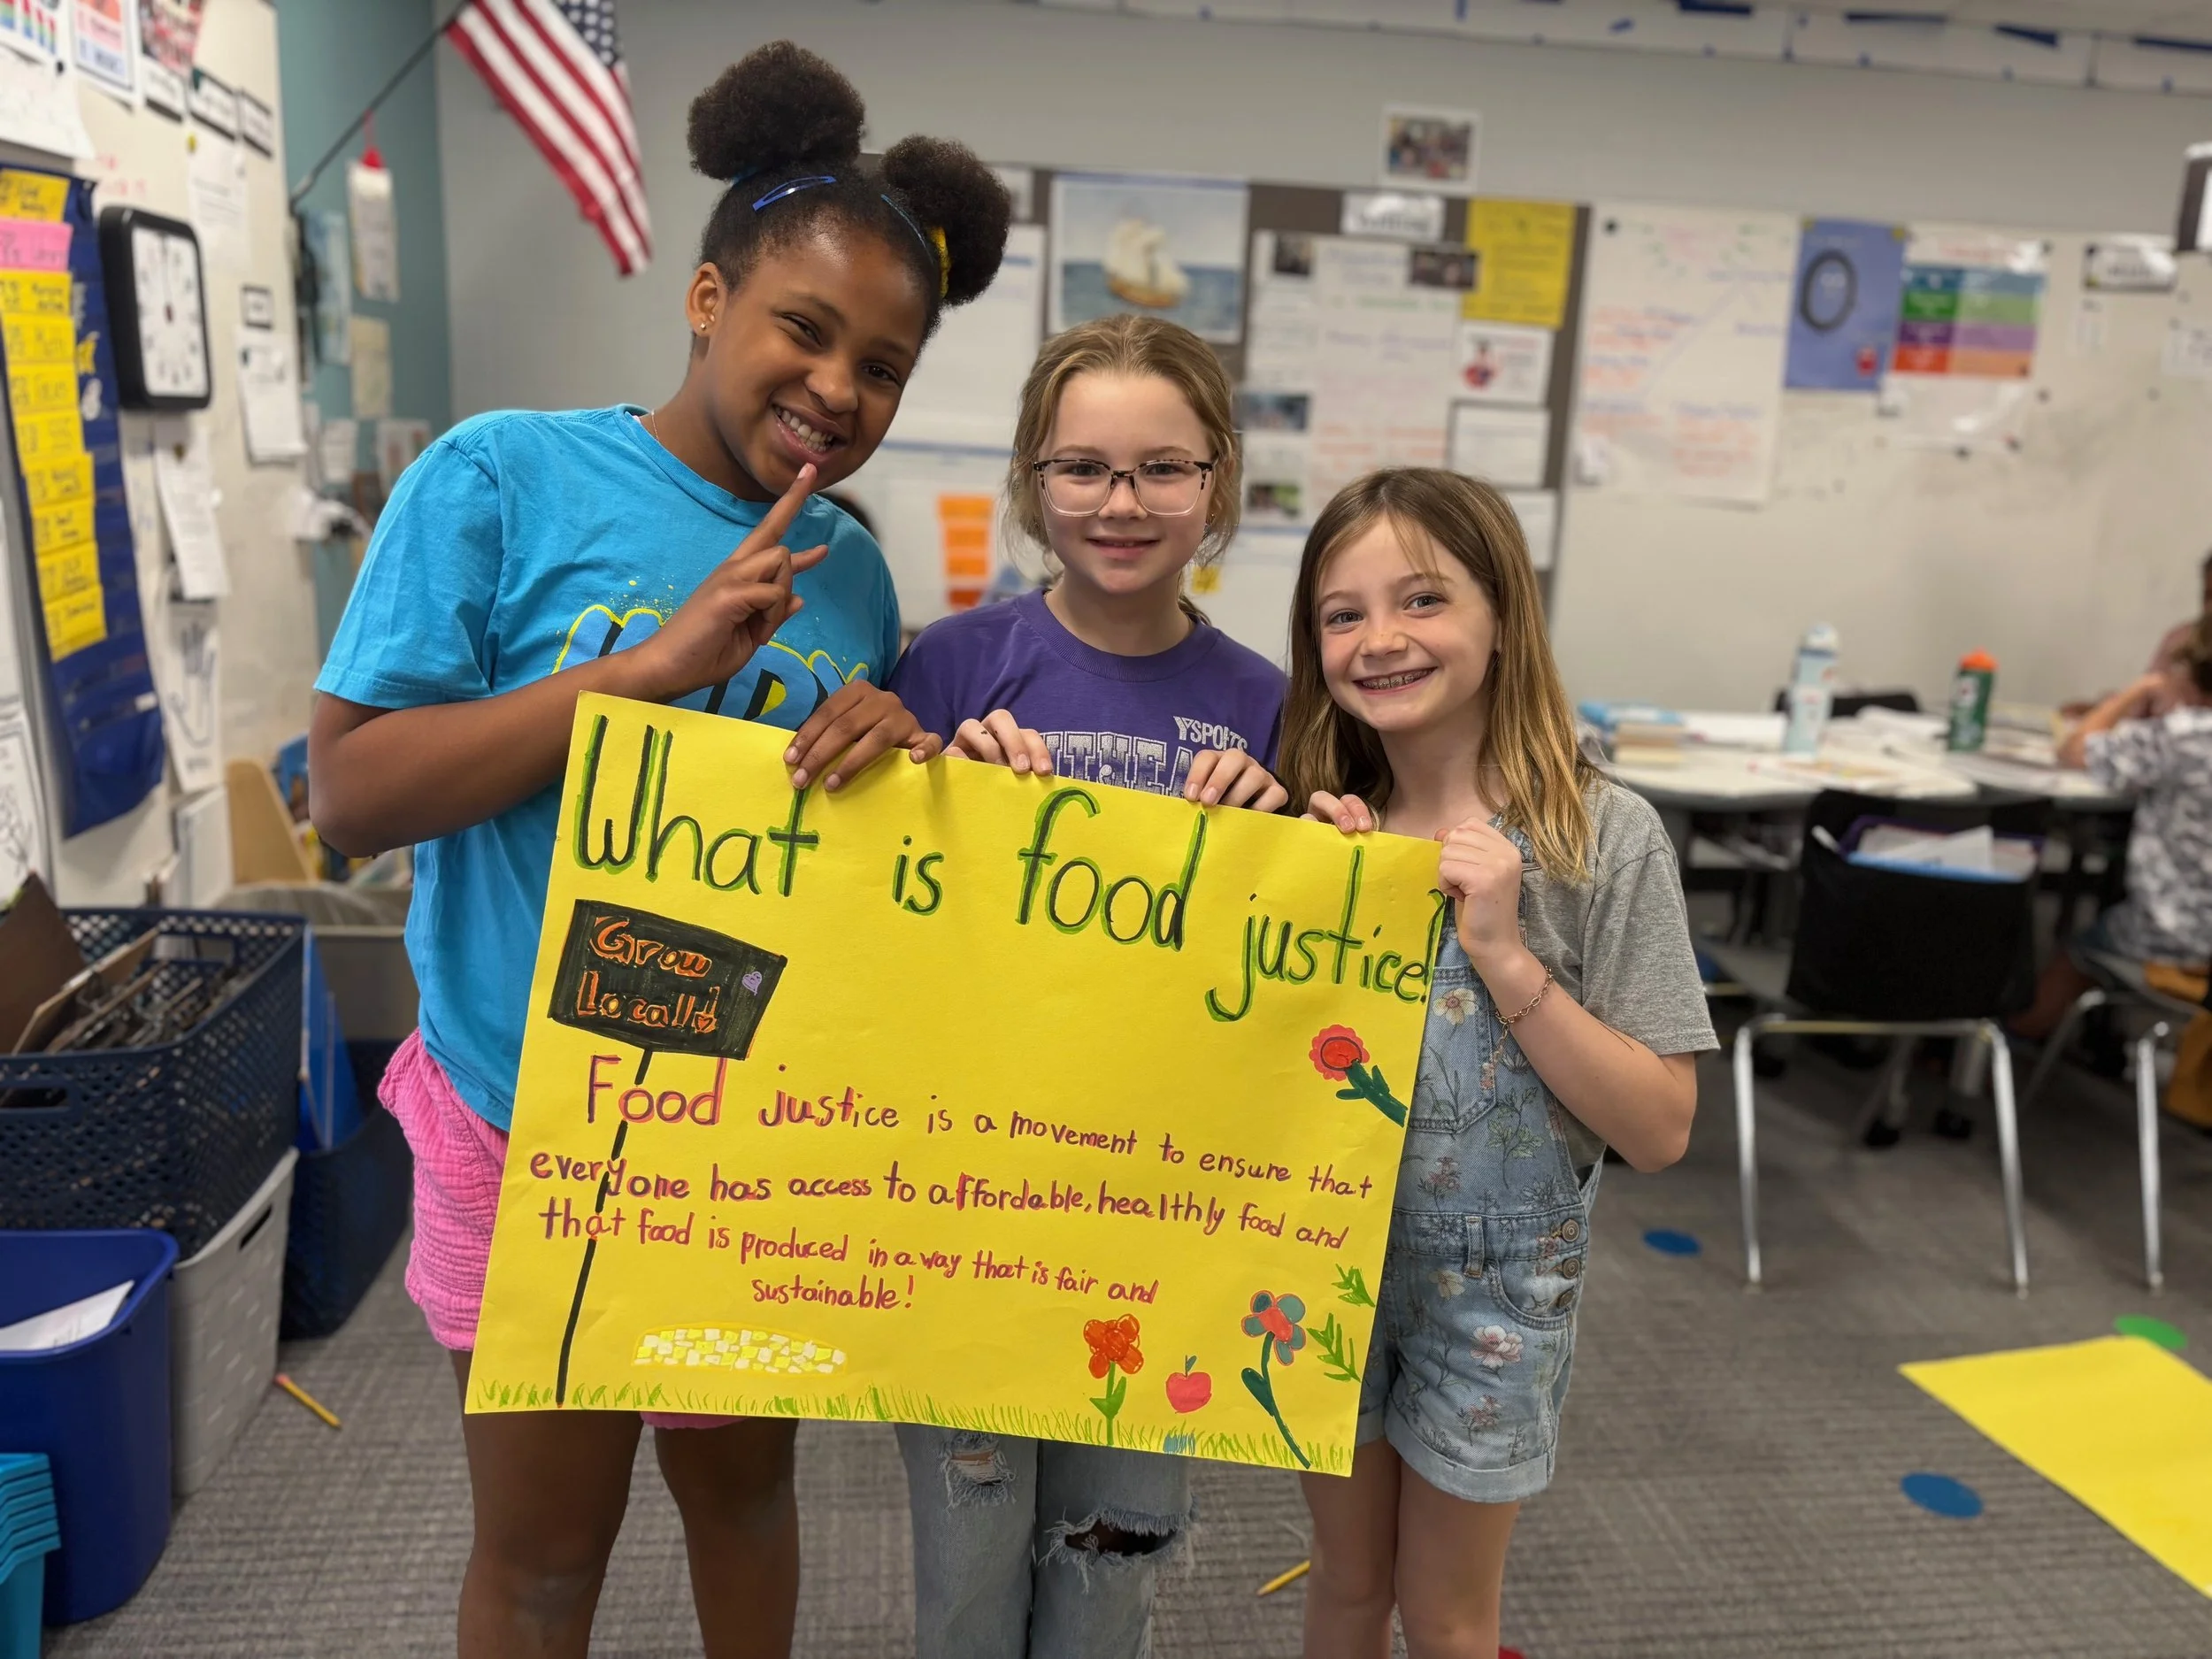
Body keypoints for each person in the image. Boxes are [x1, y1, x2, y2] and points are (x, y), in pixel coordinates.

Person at [306, 42, 1010, 1659]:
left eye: (885, 367)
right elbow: (351, 793)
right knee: (548, 1554)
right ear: (708, 298)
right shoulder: (500, 477)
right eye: (805, 329)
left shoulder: (849, 573)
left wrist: (892, 747)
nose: (839, 388)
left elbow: (843, 861)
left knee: (744, 1505)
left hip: (739, 1132)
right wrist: (637, 673)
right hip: (529, 1107)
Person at [885, 313, 1289, 1659]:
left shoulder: (1266, 700)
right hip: (971, 1187)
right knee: (967, 1547)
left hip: (1162, 1206)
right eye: (1084, 469)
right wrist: (943, 791)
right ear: (1032, 480)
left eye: (1162, 469)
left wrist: (1284, 832)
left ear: (1217, 484)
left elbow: (1294, 970)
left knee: (1118, 1549)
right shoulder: (950, 665)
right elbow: (875, 933)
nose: (1122, 503)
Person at [1283, 469, 1711, 1659]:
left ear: (1502, 614)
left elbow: (1664, 1125)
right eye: (1342, 612)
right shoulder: (1313, 824)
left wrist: (1506, 954)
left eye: (1423, 598)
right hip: (1321, 1266)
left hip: (1497, 1297)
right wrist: (1305, 910)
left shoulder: (1599, 833)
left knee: (1451, 1612)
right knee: (1347, 1582)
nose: (1381, 638)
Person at [2012, 610, 2212, 1040]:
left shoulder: (2184, 735)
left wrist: (2144, 687)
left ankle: (2002, 1050)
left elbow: (2076, 749)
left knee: (2074, 954)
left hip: (2178, 935)